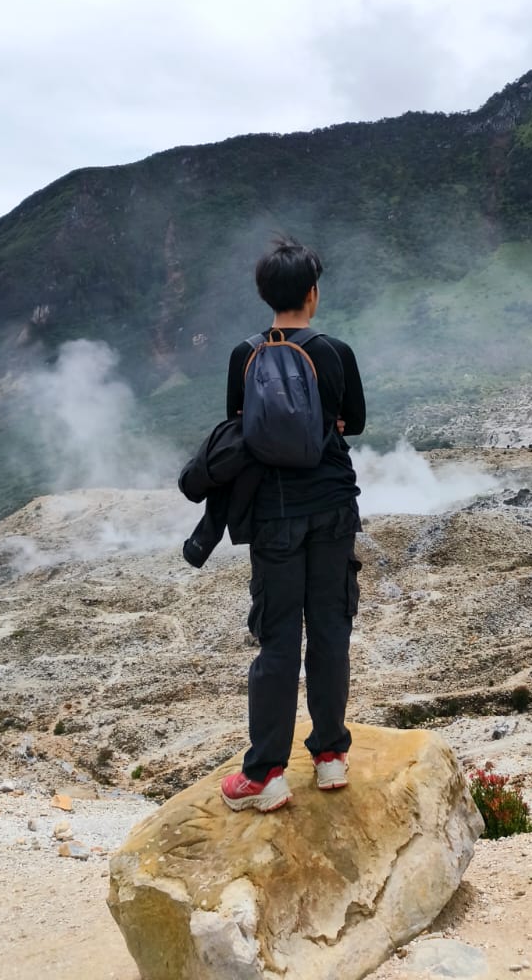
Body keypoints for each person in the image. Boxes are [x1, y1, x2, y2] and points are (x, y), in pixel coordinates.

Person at [219, 237, 366, 813]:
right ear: (312, 293)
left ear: (265, 294)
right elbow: (354, 421)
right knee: (330, 629)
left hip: (274, 516)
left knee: (277, 639)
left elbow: (237, 427)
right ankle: (330, 756)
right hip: (332, 507)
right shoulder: (335, 351)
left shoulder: (244, 354)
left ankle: (266, 774)